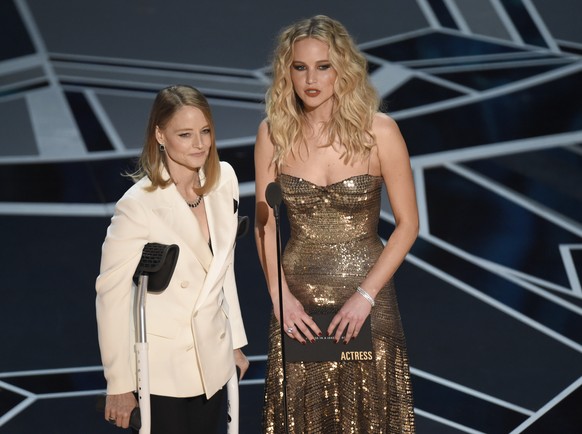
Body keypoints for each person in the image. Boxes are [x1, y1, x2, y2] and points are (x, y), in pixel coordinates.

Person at [254, 15, 418, 433]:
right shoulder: (273, 134)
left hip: (367, 295)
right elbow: (265, 224)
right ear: (285, 72)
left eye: (323, 66)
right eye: (300, 67)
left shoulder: (380, 131)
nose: (311, 79)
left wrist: (365, 295)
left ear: (342, 69)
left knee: (369, 415)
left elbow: (407, 225)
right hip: (297, 303)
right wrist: (279, 297)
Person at [96, 84, 249, 434]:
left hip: (212, 357)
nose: (199, 144)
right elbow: (112, 296)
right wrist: (119, 383)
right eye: (185, 134)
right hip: (163, 369)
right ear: (160, 135)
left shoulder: (223, 180)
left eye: (205, 132)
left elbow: (224, 270)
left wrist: (235, 342)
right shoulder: (138, 205)